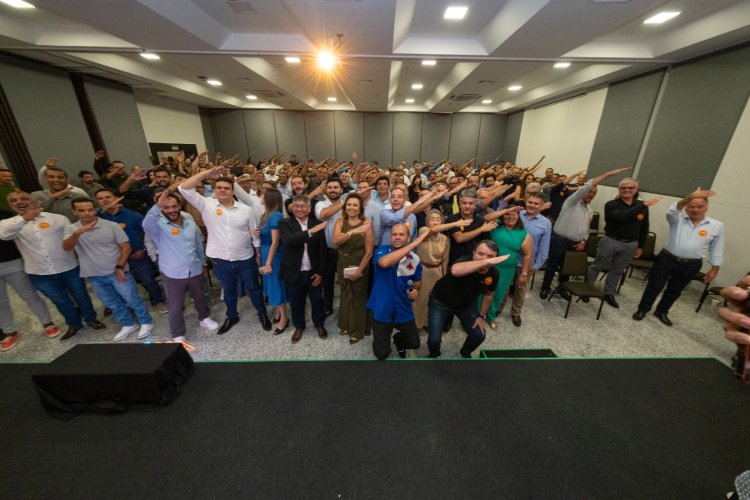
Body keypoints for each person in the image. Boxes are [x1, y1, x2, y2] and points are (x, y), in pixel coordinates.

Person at [0, 192, 106, 342]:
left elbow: (72, 238)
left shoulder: (57, 218)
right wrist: (25, 219)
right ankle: (74, 324)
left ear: (35, 201)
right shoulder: (7, 224)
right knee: (60, 300)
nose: (19, 202)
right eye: (14, 200)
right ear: (11, 205)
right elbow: (5, 236)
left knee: (81, 295)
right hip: (39, 272)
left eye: (24, 198)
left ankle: (91, 320)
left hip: (68, 267)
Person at [179, 165, 272, 334]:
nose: (223, 190)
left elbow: (254, 234)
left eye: (227, 188)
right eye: (219, 187)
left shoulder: (246, 210)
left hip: (245, 258)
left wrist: (258, 255)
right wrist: (206, 173)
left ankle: (262, 314)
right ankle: (232, 316)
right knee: (229, 290)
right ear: (214, 189)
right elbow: (184, 188)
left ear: (232, 191)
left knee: (253, 288)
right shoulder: (206, 204)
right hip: (220, 259)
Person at [63, 198, 154, 342]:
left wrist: (120, 266)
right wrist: (76, 234)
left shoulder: (111, 225)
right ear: (74, 212)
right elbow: (67, 247)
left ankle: (146, 321)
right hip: (94, 274)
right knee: (111, 303)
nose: (87, 213)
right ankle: (128, 324)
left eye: (90, 210)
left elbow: (126, 247)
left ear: (95, 210)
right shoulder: (71, 229)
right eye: (81, 210)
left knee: (131, 298)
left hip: (117, 271)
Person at [633, 188, 724, 326]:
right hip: (667, 258)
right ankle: (643, 309)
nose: (696, 210)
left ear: (707, 207)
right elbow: (672, 210)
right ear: (686, 207)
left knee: (675, 290)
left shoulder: (716, 226)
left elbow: (716, 247)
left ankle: (662, 311)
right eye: (691, 206)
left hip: (691, 264)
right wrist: (689, 197)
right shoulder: (677, 219)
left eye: (700, 206)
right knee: (654, 286)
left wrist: (715, 267)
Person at [539, 167, 632, 300]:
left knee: (567, 268)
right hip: (560, 240)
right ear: (582, 191)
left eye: (594, 193)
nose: (591, 194)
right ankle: (545, 288)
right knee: (552, 266)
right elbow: (588, 185)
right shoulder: (572, 202)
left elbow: (586, 229)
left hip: (575, 243)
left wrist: (583, 241)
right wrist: (608, 174)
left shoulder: (589, 210)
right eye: (589, 191)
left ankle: (562, 287)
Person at [143, 191, 218, 349]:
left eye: (174, 206)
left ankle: (204, 318)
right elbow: (146, 224)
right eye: (166, 207)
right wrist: (157, 205)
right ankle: (178, 333)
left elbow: (198, 244)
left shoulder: (189, 221)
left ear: (179, 206)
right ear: (161, 208)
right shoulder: (157, 225)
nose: (171, 210)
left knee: (200, 297)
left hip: (194, 269)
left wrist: (203, 264)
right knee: (175, 305)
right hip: (172, 273)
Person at [588, 177, 661, 308]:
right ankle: (588, 288)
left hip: (630, 244)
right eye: (623, 188)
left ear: (636, 189)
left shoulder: (642, 206)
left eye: (630, 188)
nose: (627, 190)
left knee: (617, 270)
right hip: (610, 240)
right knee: (597, 265)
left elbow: (644, 227)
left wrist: (641, 246)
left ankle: (609, 293)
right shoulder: (611, 204)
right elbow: (621, 217)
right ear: (619, 189)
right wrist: (643, 205)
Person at [427, 240, 508, 358]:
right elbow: (455, 271)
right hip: (440, 303)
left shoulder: (494, 274)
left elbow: (488, 295)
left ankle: (463, 354)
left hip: (465, 306)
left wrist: (481, 316)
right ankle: (434, 355)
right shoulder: (464, 260)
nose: (484, 258)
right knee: (434, 340)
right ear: (473, 253)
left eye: (490, 257)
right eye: (480, 254)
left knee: (479, 335)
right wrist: (486, 262)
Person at [94, 188, 168, 314]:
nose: (104, 200)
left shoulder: (132, 215)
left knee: (148, 279)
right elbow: (85, 219)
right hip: (112, 258)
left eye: (108, 197)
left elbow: (147, 233)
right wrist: (103, 210)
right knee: (121, 283)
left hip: (136, 255)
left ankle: (158, 300)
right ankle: (128, 305)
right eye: (100, 199)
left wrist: (143, 249)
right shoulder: (97, 218)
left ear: (116, 198)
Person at [0, 208, 61, 351]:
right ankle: (10, 332)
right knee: (0, 302)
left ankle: (48, 324)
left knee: (29, 295)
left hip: (12, 262)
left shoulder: (4, 214)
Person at [367, 224, 429, 360]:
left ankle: (398, 340)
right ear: (390, 237)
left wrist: (416, 291)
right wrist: (414, 245)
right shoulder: (381, 251)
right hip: (382, 308)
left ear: (408, 238)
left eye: (401, 234)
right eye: (394, 234)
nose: (397, 237)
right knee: (381, 354)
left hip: (403, 308)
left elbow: (417, 282)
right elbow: (384, 263)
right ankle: (382, 342)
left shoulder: (414, 259)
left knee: (414, 343)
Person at [278, 195, 328, 343]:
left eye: (302, 206)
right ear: (292, 207)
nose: (299, 209)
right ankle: (299, 327)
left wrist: (320, 272)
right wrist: (311, 232)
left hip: (313, 272)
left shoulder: (316, 223)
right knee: (296, 302)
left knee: (317, 300)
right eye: (296, 206)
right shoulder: (285, 223)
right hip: (294, 271)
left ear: (309, 208)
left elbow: (322, 250)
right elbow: (289, 241)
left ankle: (319, 324)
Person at [412, 210, 471, 330]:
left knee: (432, 300)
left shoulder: (445, 239)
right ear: (427, 222)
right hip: (421, 271)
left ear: (442, 222)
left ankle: (428, 324)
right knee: (419, 299)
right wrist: (455, 224)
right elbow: (432, 230)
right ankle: (416, 324)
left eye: (438, 219)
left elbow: (445, 260)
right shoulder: (423, 231)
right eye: (432, 219)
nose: (435, 222)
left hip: (436, 272)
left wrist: (444, 277)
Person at [502, 192, 551, 326]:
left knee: (520, 290)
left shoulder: (545, 223)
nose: (532, 205)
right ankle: (498, 309)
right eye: (530, 202)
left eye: (536, 203)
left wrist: (535, 267)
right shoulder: (516, 214)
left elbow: (544, 248)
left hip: (526, 263)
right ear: (525, 202)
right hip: (508, 259)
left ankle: (516, 313)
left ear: (541, 205)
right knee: (503, 287)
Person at [332, 193, 374, 344]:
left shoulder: (366, 224)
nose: (351, 208)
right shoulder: (340, 221)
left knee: (358, 296)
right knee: (345, 293)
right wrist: (352, 232)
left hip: (359, 262)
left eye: (355, 205)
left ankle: (357, 330)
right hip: (342, 261)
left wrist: (359, 271)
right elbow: (336, 241)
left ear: (360, 208)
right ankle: (346, 325)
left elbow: (369, 252)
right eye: (349, 204)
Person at [484, 207, 531, 328]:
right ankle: (478, 314)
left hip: (507, 270)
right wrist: (505, 210)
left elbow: (528, 255)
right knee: (482, 290)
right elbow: (486, 218)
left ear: (518, 216)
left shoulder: (523, 233)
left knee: (499, 293)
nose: (510, 217)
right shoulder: (495, 226)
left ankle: (491, 316)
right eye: (507, 214)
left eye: (514, 214)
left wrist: (524, 274)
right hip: (488, 266)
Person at [257, 188, 289, 335]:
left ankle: (284, 318)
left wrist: (268, 263)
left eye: (262, 194)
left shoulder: (275, 215)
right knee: (270, 284)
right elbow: (266, 233)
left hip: (273, 254)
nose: (260, 196)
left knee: (275, 284)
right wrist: (258, 232)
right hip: (266, 251)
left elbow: (275, 242)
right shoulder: (266, 214)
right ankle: (278, 312)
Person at [315, 177, 345, 316]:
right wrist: (342, 204)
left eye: (336, 187)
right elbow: (323, 215)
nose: (333, 190)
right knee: (328, 281)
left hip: (344, 249)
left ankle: (346, 308)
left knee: (346, 280)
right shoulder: (320, 204)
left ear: (341, 189)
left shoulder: (349, 204)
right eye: (330, 187)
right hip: (327, 250)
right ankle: (328, 306)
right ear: (326, 190)